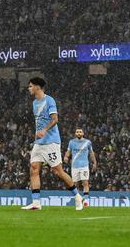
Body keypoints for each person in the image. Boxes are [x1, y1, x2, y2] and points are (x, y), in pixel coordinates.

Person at [21, 77, 83, 211]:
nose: (29, 88)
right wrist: (37, 133)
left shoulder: (49, 100)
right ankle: (36, 202)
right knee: (34, 168)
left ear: (38, 87)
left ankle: (77, 196)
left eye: (31, 86)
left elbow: (55, 119)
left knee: (58, 172)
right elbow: (39, 121)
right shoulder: (34, 103)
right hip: (39, 142)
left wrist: (44, 130)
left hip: (51, 142)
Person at [64, 127, 97, 207]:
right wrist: (66, 157)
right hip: (75, 166)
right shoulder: (71, 142)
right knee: (76, 184)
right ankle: (79, 200)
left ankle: (86, 200)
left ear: (83, 133)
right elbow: (68, 151)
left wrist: (94, 162)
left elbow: (91, 153)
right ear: (75, 134)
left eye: (80, 132)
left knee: (85, 182)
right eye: (77, 132)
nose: (79, 133)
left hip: (84, 165)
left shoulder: (88, 142)